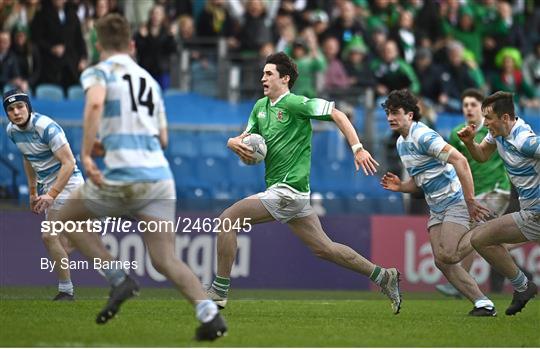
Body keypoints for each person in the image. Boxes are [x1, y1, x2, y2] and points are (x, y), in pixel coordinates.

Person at [54, 14, 227, 341]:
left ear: (99, 45)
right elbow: (161, 138)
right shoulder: (149, 80)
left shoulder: (99, 71)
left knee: (64, 219)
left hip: (126, 176)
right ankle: (209, 315)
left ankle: (118, 278)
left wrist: (88, 153)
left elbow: (94, 104)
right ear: (132, 45)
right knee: (165, 259)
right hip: (160, 178)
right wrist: (112, 143)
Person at [207, 52, 402, 315]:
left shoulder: (296, 103)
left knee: (227, 220)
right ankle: (383, 276)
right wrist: (232, 142)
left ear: (285, 79)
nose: (263, 78)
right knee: (325, 248)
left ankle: (218, 291)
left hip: (288, 189)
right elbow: (244, 139)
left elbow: (338, 115)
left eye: (269, 74)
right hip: (290, 193)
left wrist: (357, 148)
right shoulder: (259, 107)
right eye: (263, 73)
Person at [380, 89, 496, 316]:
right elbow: (419, 182)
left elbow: (460, 160)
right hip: (436, 206)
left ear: (410, 115)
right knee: (442, 261)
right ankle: (483, 303)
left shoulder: (424, 136)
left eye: (395, 113)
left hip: (455, 200)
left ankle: (485, 233)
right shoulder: (402, 144)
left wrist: (470, 200)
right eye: (388, 113)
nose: (390, 118)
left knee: (450, 254)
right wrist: (402, 187)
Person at [458, 91, 539, 316]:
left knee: (480, 238)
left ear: (505, 118)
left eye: (489, 118)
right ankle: (524, 287)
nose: (485, 123)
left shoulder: (524, 140)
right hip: (532, 213)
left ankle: (523, 286)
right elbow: (482, 155)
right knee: (481, 239)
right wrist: (469, 143)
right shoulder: (498, 134)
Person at [3, 88, 83, 300]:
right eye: (10, 109)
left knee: (49, 235)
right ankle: (67, 291)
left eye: (20, 106)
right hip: (48, 188)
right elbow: (28, 158)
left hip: (69, 184)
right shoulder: (11, 131)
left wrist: (52, 194)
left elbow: (69, 163)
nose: (16, 112)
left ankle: (66, 291)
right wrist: (33, 191)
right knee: (61, 244)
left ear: (28, 106)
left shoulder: (46, 126)